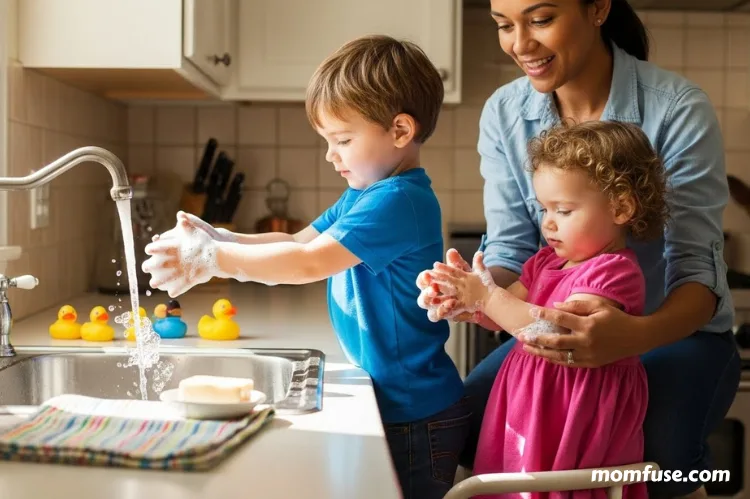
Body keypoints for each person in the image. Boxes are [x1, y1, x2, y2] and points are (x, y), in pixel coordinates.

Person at [417, 1, 742, 497]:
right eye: (505, 25)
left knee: (657, 460)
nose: (520, 44)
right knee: (461, 433)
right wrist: (473, 292)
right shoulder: (505, 111)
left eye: (540, 19)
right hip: (557, 334)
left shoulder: (676, 108)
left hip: (678, 332)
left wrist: (631, 336)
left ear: (597, 9)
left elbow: (696, 273)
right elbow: (510, 249)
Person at [141, 35, 469, 499]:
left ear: (399, 131)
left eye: (343, 140)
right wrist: (220, 238)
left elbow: (308, 262)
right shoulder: (367, 193)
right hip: (401, 404)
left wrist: (212, 260)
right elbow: (297, 240)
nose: (331, 155)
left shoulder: (398, 200)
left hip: (415, 417)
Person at [425, 120, 666, 499]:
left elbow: (554, 335)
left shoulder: (614, 272)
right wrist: (468, 303)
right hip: (529, 400)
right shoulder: (545, 263)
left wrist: (488, 296)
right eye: (543, 209)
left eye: (564, 210)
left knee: (559, 486)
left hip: (573, 410)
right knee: (515, 483)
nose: (548, 223)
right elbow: (508, 313)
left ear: (620, 207)